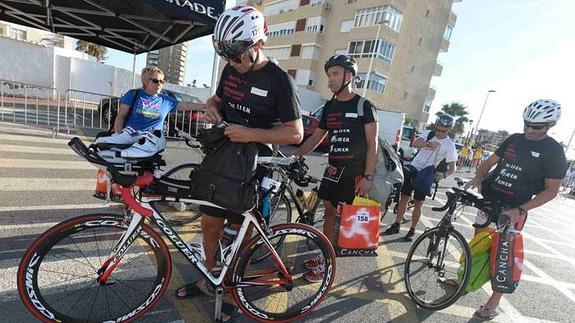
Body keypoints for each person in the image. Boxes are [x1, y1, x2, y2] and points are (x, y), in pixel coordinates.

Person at [174, 5, 303, 318]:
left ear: (259, 44)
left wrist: (250, 132)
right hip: (223, 157)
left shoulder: (279, 81)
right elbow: (219, 98)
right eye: (227, 56)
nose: (232, 62)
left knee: (240, 230)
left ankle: (232, 293)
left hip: (255, 163)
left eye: (237, 55)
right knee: (209, 221)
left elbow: (296, 133)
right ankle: (208, 277)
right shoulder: (230, 69)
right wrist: (211, 105)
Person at [466, 99, 567, 320]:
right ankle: (464, 278)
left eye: (536, 127)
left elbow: (551, 191)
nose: (529, 130)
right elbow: (490, 160)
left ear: (550, 125)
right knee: (477, 245)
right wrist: (478, 176)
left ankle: (493, 303)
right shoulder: (514, 139)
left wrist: (519, 211)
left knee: (503, 257)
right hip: (489, 200)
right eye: (526, 124)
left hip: (514, 210)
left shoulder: (554, 151)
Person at [294, 54, 378, 281]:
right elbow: (317, 138)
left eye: (335, 74)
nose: (330, 79)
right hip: (332, 170)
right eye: (329, 74)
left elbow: (373, 145)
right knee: (329, 212)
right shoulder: (330, 106)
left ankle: (328, 265)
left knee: (343, 219)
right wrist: (294, 156)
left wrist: (368, 176)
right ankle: (325, 254)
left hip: (354, 174)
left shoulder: (364, 106)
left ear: (349, 76)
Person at [383, 114, 458, 241]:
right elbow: (415, 143)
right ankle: (396, 224)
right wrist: (428, 144)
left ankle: (412, 230)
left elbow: (453, 167)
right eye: (438, 129)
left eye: (443, 131)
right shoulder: (429, 134)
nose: (439, 132)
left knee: (418, 203)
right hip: (413, 168)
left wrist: (443, 175)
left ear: (449, 130)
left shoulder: (449, 145)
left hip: (425, 174)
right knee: (404, 198)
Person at [95, 66, 197, 157]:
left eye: (162, 81)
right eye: (155, 81)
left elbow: (186, 105)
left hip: (150, 142)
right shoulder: (133, 94)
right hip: (130, 138)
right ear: (146, 81)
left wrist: (206, 106)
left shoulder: (166, 100)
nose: (159, 84)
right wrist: (119, 135)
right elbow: (121, 116)